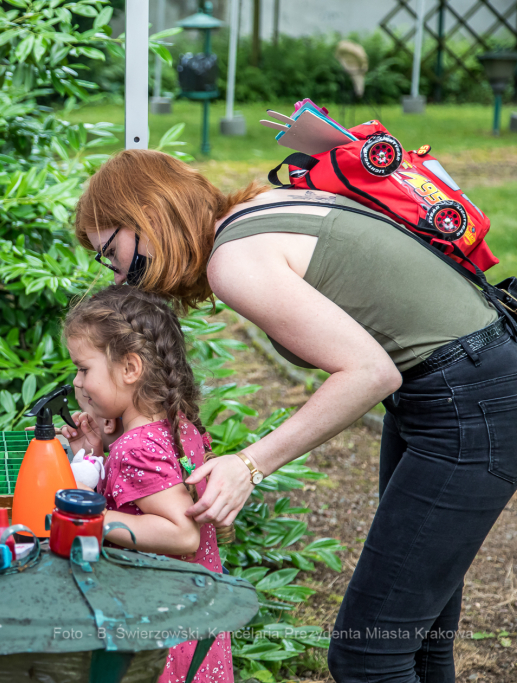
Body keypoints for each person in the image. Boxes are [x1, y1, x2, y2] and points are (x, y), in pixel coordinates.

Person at [69, 148, 517, 682]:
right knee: (412, 641)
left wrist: (250, 465)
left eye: (110, 251)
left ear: (145, 217)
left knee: (369, 655)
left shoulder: (232, 261)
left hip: (466, 402)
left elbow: (370, 373)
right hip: (460, 384)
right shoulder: (260, 208)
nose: (116, 275)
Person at [61, 285, 233, 683]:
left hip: (161, 627)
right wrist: (98, 448)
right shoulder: (177, 426)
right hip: (192, 610)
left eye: (84, 369)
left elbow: (181, 532)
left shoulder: (136, 447)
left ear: (130, 368)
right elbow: (150, 497)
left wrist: (94, 520)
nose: (77, 382)